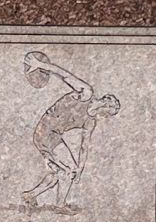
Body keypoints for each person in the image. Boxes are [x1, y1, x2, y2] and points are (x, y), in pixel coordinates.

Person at [21, 50, 119, 211]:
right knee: (68, 171)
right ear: (106, 104)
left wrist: (81, 168)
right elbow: (64, 75)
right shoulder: (86, 93)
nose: (106, 116)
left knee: (60, 172)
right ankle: (60, 206)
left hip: (53, 136)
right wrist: (40, 65)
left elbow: (84, 146)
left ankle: (30, 195)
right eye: (109, 112)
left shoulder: (90, 122)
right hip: (45, 132)